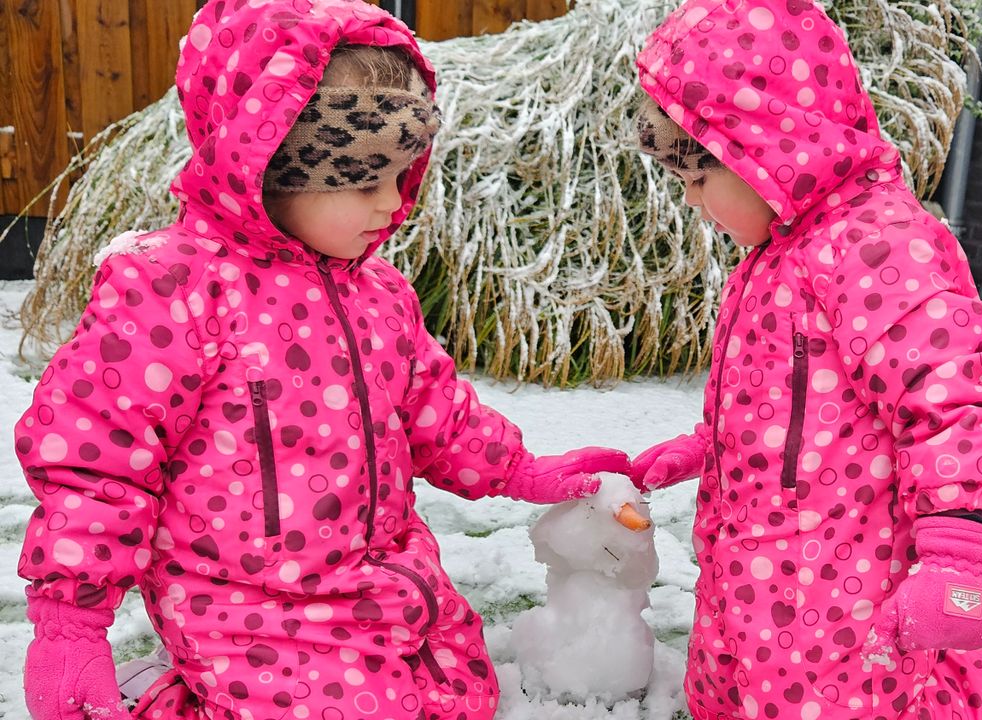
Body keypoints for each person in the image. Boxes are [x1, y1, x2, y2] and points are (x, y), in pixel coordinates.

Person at [16, 2, 627, 719]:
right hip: (244, 598)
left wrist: (520, 470)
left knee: (457, 698)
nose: (392, 204)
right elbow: (97, 463)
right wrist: (70, 621)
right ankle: (165, 691)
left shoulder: (379, 293)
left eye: (401, 176)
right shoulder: (174, 288)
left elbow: (435, 411)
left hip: (388, 578)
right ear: (267, 166)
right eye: (365, 182)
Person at [628, 0, 982, 717]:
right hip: (761, 577)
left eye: (697, 179)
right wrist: (704, 448)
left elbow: (949, 406)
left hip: (845, 584)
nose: (692, 202)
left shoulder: (878, 247)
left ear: (762, 150)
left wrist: (956, 559)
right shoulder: (776, 255)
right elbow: (784, 403)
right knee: (751, 685)